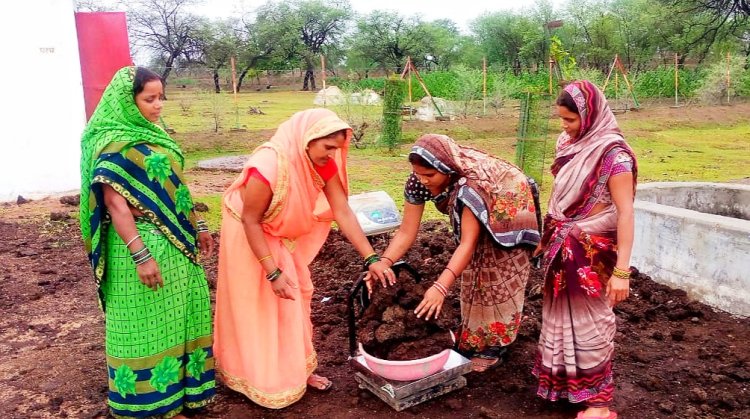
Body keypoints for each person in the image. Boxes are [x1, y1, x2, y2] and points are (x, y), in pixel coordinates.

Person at [214, 108, 393, 409]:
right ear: (307, 140)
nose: (333, 154)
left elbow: (342, 211)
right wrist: (272, 273)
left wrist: (371, 257)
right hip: (247, 233)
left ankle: (298, 370)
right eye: (328, 147)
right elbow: (250, 220)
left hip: (275, 233)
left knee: (297, 297)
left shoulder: (320, 163)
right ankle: (259, 380)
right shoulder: (267, 166)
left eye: (337, 148)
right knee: (259, 306)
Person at [79, 66, 215, 418]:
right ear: (128, 100)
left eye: (161, 98)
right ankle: (148, 405)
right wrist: (142, 256)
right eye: (149, 99)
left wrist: (199, 224)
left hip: (177, 244)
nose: (158, 106)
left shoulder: (156, 133)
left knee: (182, 317)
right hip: (137, 247)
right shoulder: (110, 141)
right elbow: (114, 203)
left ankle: (182, 395)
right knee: (143, 325)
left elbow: (177, 186)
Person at [370, 134, 541, 372]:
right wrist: (384, 261)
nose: (424, 180)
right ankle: (473, 337)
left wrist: (440, 287)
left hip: (507, 201)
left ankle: (494, 345)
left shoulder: (469, 187)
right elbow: (407, 231)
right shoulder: (418, 181)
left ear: (447, 170)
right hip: (478, 204)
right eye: (419, 173)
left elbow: (467, 244)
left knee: (498, 275)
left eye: (430, 175)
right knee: (473, 275)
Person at [532, 80, 637, 419]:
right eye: (561, 119)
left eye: (571, 120)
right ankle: (566, 384)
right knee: (561, 318)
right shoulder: (569, 144)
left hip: (592, 251)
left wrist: (622, 272)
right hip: (564, 246)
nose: (565, 127)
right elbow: (559, 196)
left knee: (592, 321)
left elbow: (625, 213)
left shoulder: (614, 156)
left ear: (590, 116)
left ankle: (600, 402)